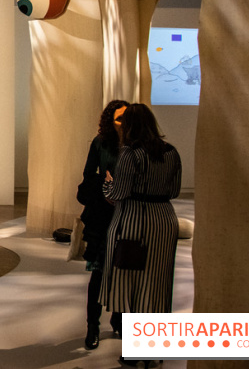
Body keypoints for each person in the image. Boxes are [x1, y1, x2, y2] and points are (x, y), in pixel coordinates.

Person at [99, 103, 181, 364]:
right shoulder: (171, 152)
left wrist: (107, 184)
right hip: (164, 222)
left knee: (133, 285)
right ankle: (154, 350)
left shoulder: (131, 154)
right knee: (157, 286)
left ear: (131, 126)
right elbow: (175, 190)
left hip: (135, 222)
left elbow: (118, 193)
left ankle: (135, 351)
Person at [77, 99, 128, 350]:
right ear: (110, 120)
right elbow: (88, 176)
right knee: (99, 273)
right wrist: (104, 186)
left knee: (123, 270)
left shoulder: (135, 145)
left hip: (128, 215)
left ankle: (119, 321)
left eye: (126, 118)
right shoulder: (101, 143)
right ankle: (93, 326)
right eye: (119, 118)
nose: (123, 123)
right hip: (103, 215)